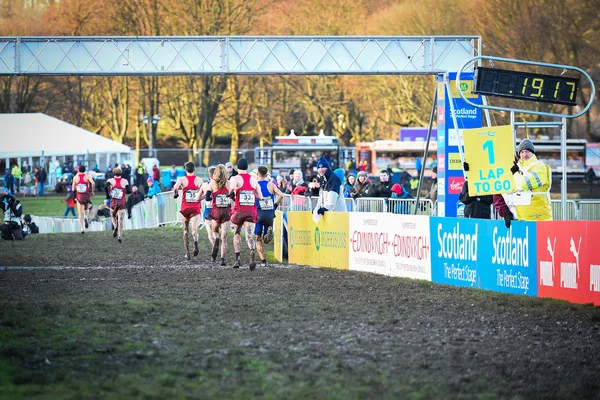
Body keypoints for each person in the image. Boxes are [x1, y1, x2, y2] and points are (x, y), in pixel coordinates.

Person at [229, 158, 263, 270]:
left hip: (239, 211)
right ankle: (252, 251)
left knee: (237, 233)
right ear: (247, 167)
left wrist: (230, 194)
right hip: (250, 211)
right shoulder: (254, 179)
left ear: (237, 167)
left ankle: (237, 258)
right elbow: (261, 197)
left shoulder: (235, 178)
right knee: (249, 235)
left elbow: (231, 189)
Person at [507, 139, 552, 221]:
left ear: (532, 153)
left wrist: (515, 173)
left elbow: (525, 184)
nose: (524, 154)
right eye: (522, 152)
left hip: (539, 219)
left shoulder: (540, 167)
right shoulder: (519, 168)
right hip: (521, 219)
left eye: (527, 151)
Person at [173, 161, 204, 260]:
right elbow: (205, 192)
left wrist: (175, 194)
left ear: (185, 170)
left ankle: (187, 252)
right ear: (194, 169)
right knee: (194, 230)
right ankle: (195, 244)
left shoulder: (182, 179)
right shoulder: (199, 180)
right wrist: (199, 198)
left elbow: (175, 188)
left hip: (185, 207)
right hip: (195, 207)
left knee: (186, 230)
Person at [254, 166, 284, 268]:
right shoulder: (271, 185)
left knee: (258, 238)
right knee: (266, 240)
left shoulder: (255, 185)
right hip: (269, 214)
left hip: (259, 214)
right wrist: (275, 206)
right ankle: (268, 233)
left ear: (257, 174)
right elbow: (281, 195)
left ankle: (263, 260)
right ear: (267, 174)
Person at [206, 164, 232, 266]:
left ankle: (216, 238)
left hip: (216, 212)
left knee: (214, 232)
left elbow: (207, 198)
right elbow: (233, 196)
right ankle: (222, 259)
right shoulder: (229, 183)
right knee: (224, 238)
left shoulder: (212, 183)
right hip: (226, 212)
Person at [106, 167, 129, 243]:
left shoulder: (110, 180)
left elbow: (106, 186)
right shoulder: (125, 181)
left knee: (112, 216)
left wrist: (108, 195)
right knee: (120, 220)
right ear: (121, 173)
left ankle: (115, 227)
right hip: (122, 202)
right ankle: (120, 235)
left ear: (113, 173)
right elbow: (128, 190)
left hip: (113, 202)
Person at [72, 165, 95, 234]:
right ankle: (86, 217)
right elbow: (93, 183)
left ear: (78, 170)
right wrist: (93, 191)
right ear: (85, 170)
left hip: (79, 196)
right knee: (86, 208)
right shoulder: (88, 176)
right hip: (86, 195)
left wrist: (77, 187)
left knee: (79, 213)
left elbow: (73, 189)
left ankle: (82, 228)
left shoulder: (75, 177)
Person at [200, 166, 217, 249]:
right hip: (219, 211)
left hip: (208, 211)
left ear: (209, 175)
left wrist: (203, 196)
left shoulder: (205, 185)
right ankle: (217, 239)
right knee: (218, 230)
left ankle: (214, 246)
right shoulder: (222, 184)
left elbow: (197, 198)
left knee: (210, 232)